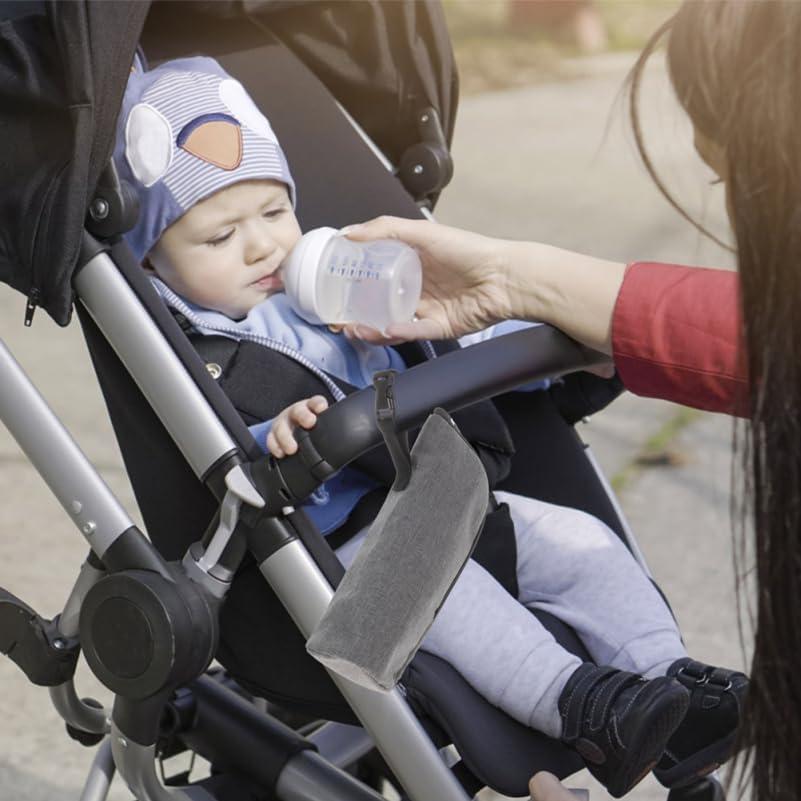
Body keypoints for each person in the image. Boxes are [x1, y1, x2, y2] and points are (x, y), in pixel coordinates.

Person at [114, 55, 747, 798]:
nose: (261, 246)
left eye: (274, 213)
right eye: (220, 238)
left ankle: (668, 683)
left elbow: (453, 338)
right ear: (152, 263)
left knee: (585, 544)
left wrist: (555, 349)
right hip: (359, 550)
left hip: (457, 497)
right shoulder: (204, 358)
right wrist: (274, 432)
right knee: (458, 606)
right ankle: (585, 704)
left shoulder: (334, 282)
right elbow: (216, 457)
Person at [344, 3, 801, 800]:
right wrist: (519, 283)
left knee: (573, 545)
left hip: (441, 521)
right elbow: (763, 337)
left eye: (734, 179)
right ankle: (619, 694)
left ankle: (632, 686)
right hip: (370, 531)